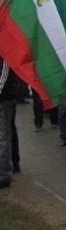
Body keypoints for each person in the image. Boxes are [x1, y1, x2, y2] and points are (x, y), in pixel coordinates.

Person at [0, 56, 20, 189]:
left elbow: (4, 74)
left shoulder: (5, 52)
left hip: (4, 99)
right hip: (5, 97)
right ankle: (13, 163)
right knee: (7, 133)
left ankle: (4, 174)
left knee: (4, 136)